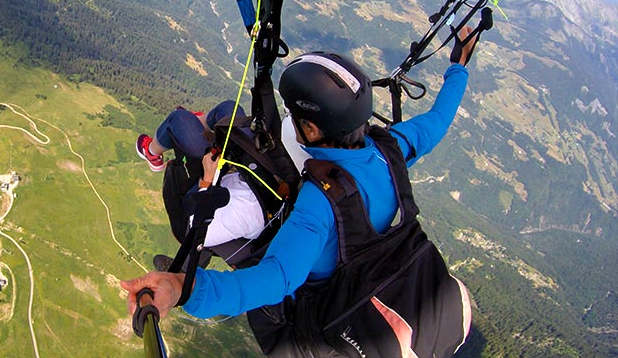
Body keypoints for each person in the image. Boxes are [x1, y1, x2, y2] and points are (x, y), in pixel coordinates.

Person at [121, 27, 476, 322]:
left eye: (295, 116)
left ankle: (156, 153)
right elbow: (436, 123)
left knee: (186, 124)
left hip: (268, 238)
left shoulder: (319, 204)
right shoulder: (388, 150)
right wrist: (459, 66)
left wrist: (184, 289)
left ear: (312, 128)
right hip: (280, 196)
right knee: (228, 114)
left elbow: (276, 279)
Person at [136, 102, 267, 250]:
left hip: (196, 206)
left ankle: (151, 152)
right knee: (229, 109)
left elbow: (197, 227)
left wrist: (207, 179)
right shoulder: (276, 180)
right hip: (242, 177)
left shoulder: (247, 211)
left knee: (179, 119)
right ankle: (199, 127)